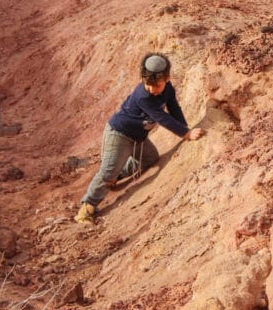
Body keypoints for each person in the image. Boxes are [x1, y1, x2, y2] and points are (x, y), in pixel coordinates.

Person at [75, 53, 205, 225]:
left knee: (151, 158)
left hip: (138, 138)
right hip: (119, 134)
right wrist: (186, 134)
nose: (152, 89)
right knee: (107, 172)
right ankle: (87, 207)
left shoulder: (168, 89)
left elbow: (174, 108)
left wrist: (186, 128)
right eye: (148, 84)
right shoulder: (143, 96)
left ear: (167, 78)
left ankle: (118, 174)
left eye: (156, 85)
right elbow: (162, 118)